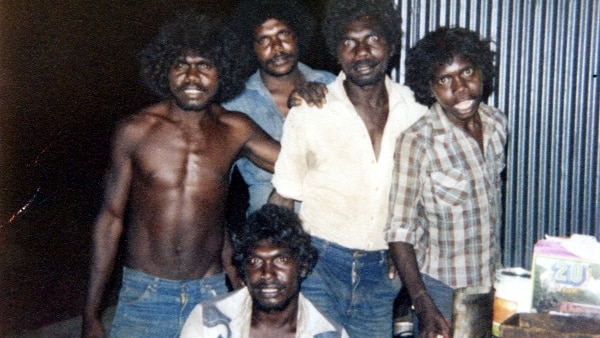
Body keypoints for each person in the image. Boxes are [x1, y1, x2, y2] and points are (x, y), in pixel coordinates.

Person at [81, 12, 280, 338]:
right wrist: (91, 312)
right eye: (181, 65)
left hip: (210, 295)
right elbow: (110, 219)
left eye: (205, 65)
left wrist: (308, 96)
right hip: (145, 295)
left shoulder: (236, 129)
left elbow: (297, 164)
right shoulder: (136, 130)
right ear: (164, 71)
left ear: (222, 72)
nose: (192, 76)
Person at [268, 0, 428, 336]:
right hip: (319, 265)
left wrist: (409, 249)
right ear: (336, 52)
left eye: (372, 39)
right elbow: (283, 198)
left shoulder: (415, 113)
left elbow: (426, 202)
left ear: (390, 46)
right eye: (349, 43)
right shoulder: (311, 110)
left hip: (382, 275)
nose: (362, 52)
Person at [385, 27, 507, 337]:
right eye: (444, 79)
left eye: (467, 72)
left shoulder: (496, 124)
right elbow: (399, 232)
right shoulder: (418, 142)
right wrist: (423, 304)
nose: (462, 88)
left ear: (482, 70)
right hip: (440, 289)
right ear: (430, 87)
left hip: (490, 284)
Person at [223, 0, 336, 216]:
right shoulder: (236, 104)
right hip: (270, 229)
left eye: (283, 34)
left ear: (298, 36)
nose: (277, 48)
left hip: (333, 223)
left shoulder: (330, 84)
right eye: (264, 40)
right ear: (250, 47)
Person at [181, 204, 349, 337]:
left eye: (281, 260)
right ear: (243, 271)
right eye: (255, 261)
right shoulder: (208, 321)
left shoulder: (328, 333)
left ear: (303, 266)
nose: (267, 273)